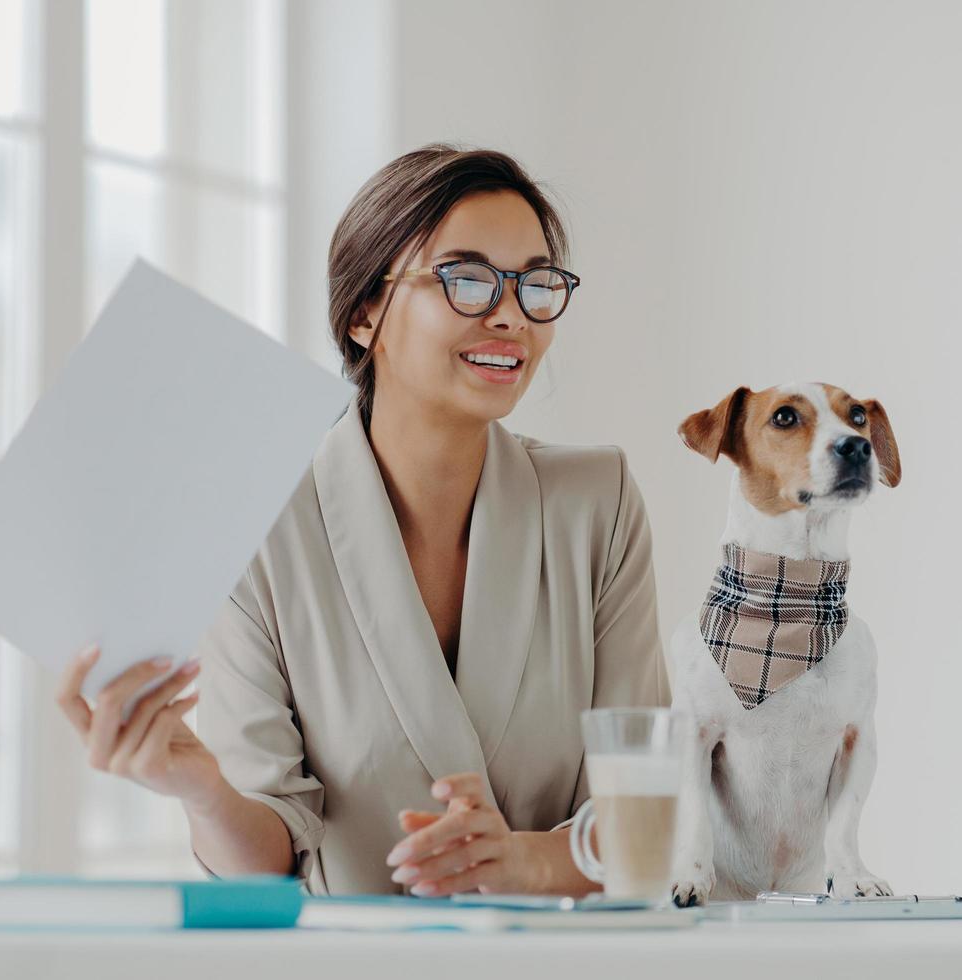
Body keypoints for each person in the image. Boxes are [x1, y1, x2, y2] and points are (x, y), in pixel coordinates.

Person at [55, 144, 667, 897]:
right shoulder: (258, 520)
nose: (512, 315)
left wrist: (525, 862)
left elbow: (645, 818)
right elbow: (267, 861)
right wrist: (201, 789)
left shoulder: (595, 501)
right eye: (467, 279)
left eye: (537, 285)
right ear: (363, 312)